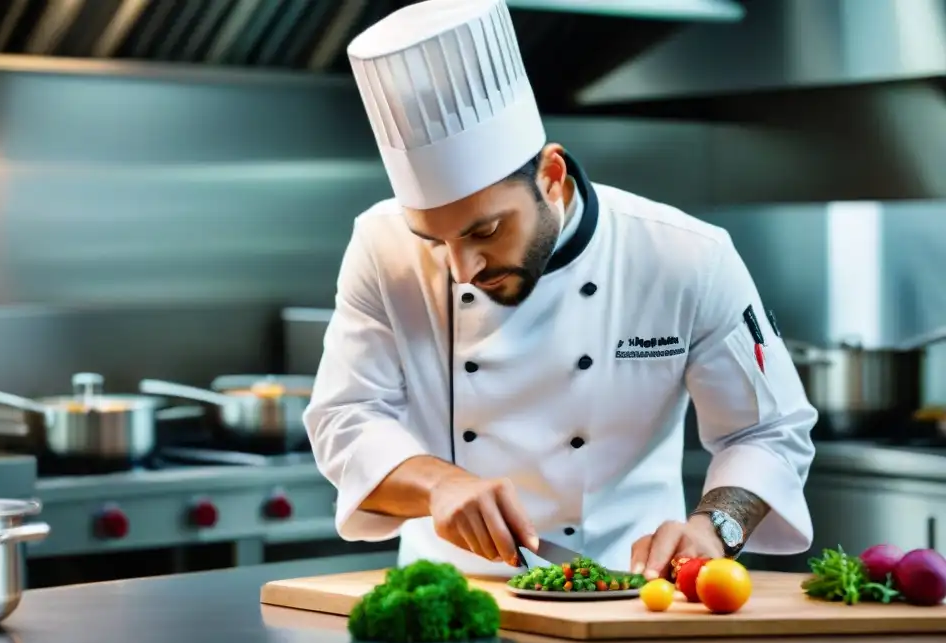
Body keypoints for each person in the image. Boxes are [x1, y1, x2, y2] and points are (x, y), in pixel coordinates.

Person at [304, 0, 818, 580]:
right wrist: (439, 482)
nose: (461, 269)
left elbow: (769, 429)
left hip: (628, 592)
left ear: (552, 176)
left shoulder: (685, 255)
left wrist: (712, 528)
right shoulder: (381, 245)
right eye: (434, 240)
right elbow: (346, 418)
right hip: (450, 597)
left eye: (486, 230)